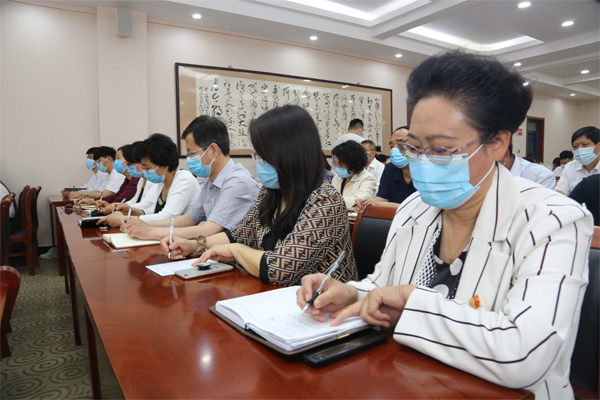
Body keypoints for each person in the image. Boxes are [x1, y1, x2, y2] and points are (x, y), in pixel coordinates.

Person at [297, 50, 593, 399]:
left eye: (441, 150)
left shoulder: (553, 219)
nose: (422, 163)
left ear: (497, 143)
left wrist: (411, 300)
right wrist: (352, 293)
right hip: (409, 380)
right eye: (414, 148)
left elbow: (526, 354)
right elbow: (382, 286)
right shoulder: (414, 208)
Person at [162, 105, 358, 286]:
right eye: (256, 154)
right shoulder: (271, 192)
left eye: (262, 155)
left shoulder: (325, 200)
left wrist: (236, 251)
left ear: (290, 153)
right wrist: (193, 245)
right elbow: (239, 235)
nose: (258, 161)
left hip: (323, 303)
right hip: (275, 295)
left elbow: (281, 269)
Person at [122, 116, 259, 240]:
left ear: (213, 150)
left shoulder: (237, 182)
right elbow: (189, 219)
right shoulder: (211, 181)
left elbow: (208, 231)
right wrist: (143, 223)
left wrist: (151, 232)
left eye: (192, 153)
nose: (189, 159)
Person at [100, 134, 201, 227]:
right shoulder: (162, 181)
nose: (144, 171)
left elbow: (167, 217)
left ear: (164, 164)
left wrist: (126, 219)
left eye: (147, 167)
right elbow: (153, 211)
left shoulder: (184, 180)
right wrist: (130, 210)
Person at [355, 126, 416, 211]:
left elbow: (424, 209)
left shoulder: (427, 171)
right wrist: (366, 204)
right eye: (392, 146)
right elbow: (380, 200)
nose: (395, 149)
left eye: (401, 144)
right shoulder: (389, 169)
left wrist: (384, 205)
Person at [75, 144, 140, 209]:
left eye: (118, 158)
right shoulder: (126, 179)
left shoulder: (133, 178)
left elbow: (120, 199)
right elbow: (115, 196)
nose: (115, 161)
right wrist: (92, 201)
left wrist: (109, 206)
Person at [331, 141, 377, 210]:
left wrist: (331, 201)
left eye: (340, 164)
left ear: (353, 163)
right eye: (335, 163)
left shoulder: (368, 178)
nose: (337, 167)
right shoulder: (337, 177)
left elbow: (359, 202)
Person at [556, 126, 600, 195]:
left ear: (598, 145)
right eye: (575, 146)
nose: (579, 149)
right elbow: (559, 194)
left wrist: (571, 197)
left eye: (585, 144)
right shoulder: (570, 167)